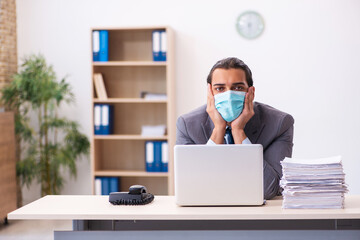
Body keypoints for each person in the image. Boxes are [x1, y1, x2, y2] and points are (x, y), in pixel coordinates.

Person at [176, 57, 294, 199]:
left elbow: (269, 189)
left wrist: (238, 131)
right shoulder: (187, 125)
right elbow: (192, 187)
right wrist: (218, 130)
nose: (229, 95)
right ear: (210, 93)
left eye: (238, 88)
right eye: (220, 89)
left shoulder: (279, 124)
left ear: (251, 92)